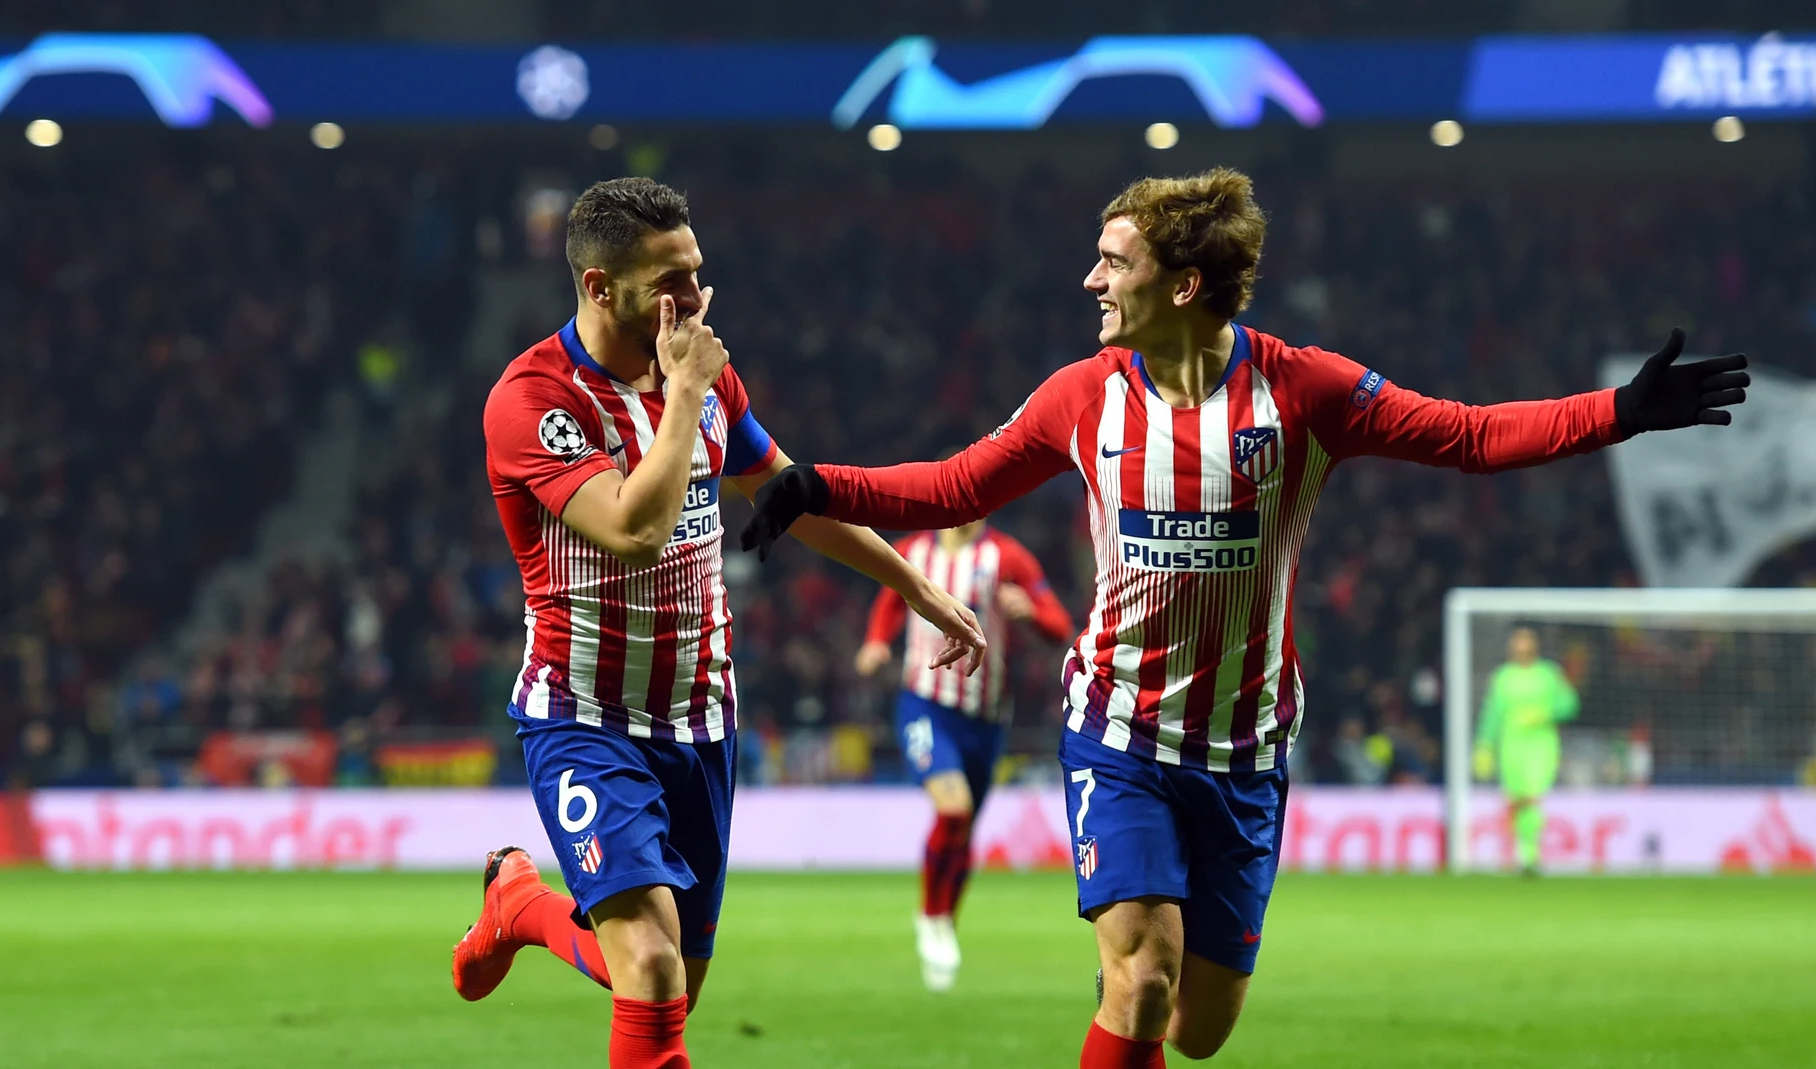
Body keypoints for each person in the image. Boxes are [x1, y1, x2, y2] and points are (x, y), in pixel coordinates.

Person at [739, 167, 1749, 1067]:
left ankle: (1137, 981)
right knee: (1143, 982)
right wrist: (812, 484)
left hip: (1245, 747)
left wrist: (1619, 412)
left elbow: (1471, 437)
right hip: (1119, 733)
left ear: (1182, 286)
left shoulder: (1303, 389)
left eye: (1111, 262)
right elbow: (952, 487)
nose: (1090, 282)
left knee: (1199, 1028)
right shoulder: (1082, 397)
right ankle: (1129, 977)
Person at [452, 177, 986, 1069]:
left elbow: (789, 499)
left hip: (702, 722)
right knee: (653, 971)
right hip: (586, 717)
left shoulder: (703, 375)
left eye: (697, 272)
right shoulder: (533, 401)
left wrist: (918, 588)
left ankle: (524, 907)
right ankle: (529, 907)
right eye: (670, 281)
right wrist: (685, 394)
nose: (694, 298)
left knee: (670, 985)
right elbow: (632, 527)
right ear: (598, 287)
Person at [854, 510, 1073, 991]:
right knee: (952, 811)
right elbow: (891, 599)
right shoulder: (915, 552)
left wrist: (1030, 613)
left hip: (987, 715)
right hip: (925, 705)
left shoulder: (1008, 557)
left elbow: (1059, 624)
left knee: (965, 824)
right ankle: (930, 917)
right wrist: (876, 642)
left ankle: (944, 920)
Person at [1474, 626, 1579, 876]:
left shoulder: (1548, 674)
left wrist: (1546, 713)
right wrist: (1484, 745)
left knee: (1533, 795)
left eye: (1525, 644)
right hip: (1511, 745)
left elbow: (1570, 704)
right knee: (1516, 799)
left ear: (1534, 647)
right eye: (1517, 645)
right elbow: (1492, 714)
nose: (1521, 649)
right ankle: (1523, 851)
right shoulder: (1503, 677)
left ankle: (1530, 853)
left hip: (1541, 744)